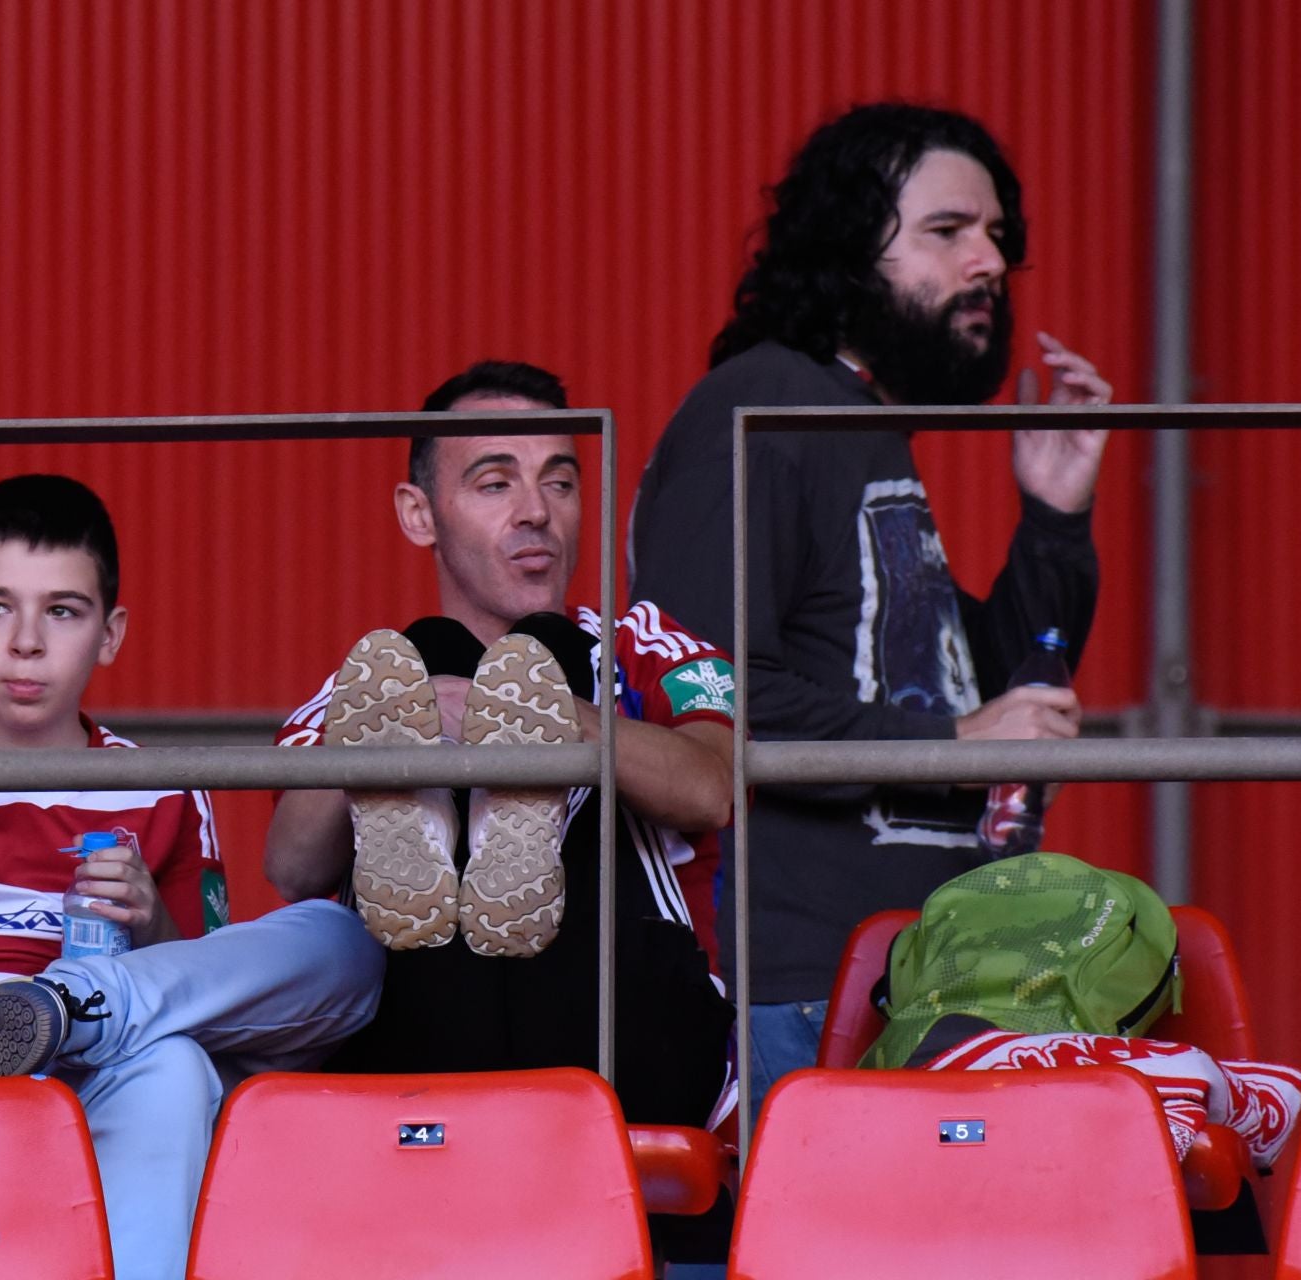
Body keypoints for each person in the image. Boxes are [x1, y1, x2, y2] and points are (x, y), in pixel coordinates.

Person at [628, 102, 1113, 1111]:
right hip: (799, 989)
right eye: (948, 232)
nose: (988, 261)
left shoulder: (862, 427)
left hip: (927, 976)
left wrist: (1054, 520)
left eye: (997, 237)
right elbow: (698, 693)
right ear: (851, 251)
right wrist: (948, 739)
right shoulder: (758, 407)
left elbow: (985, 700)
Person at [0, 474, 384, 1280]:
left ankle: (74, 1005)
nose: (26, 642)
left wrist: (149, 926)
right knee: (170, 1057)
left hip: (102, 1057)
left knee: (339, 942)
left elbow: (206, 993)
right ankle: (65, 1007)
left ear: (111, 633)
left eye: (62, 611)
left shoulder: (164, 784)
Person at [264, 360, 737, 1140]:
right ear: (420, 514)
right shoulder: (370, 683)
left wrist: (560, 720)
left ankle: (517, 805)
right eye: (495, 484)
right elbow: (290, 864)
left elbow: (710, 787)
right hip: (425, 1039)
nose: (536, 514)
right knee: (425, 651)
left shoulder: (642, 645)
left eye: (559, 483)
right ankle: (470, 816)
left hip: (627, 1040)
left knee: (551, 648)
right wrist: (390, 737)